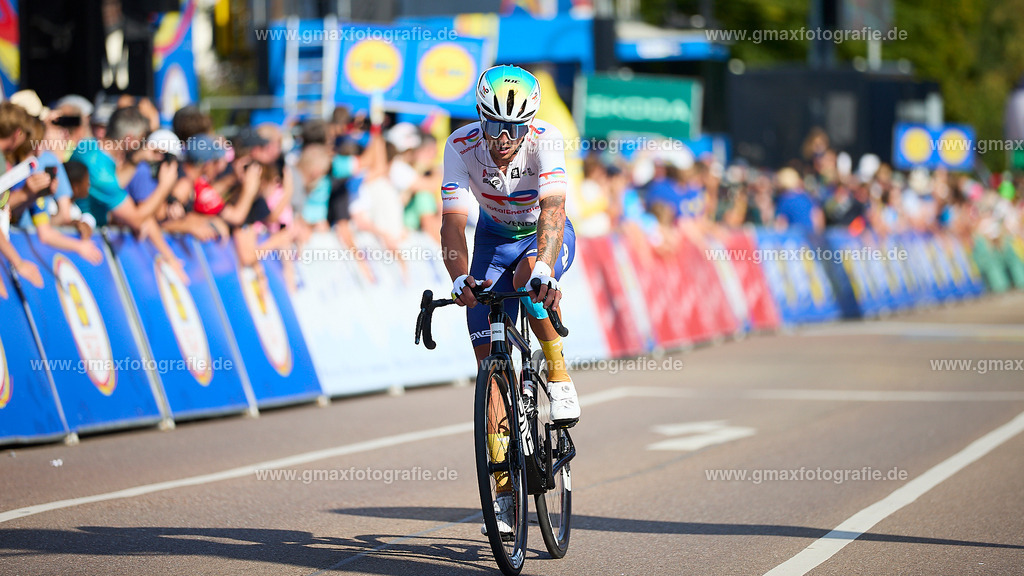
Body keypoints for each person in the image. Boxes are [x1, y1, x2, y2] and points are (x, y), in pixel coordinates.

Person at [440, 65, 579, 536]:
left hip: (541, 238)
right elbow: (453, 227)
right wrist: (460, 279)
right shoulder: (460, 146)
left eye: (514, 127)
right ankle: (503, 495)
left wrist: (544, 264)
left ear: (530, 123)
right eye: (494, 125)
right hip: (490, 243)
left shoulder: (546, 139)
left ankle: (557, 369)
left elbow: (553, 211)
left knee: (529, 277)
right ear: (479, 117)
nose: (503, 138)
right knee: (491, 374)